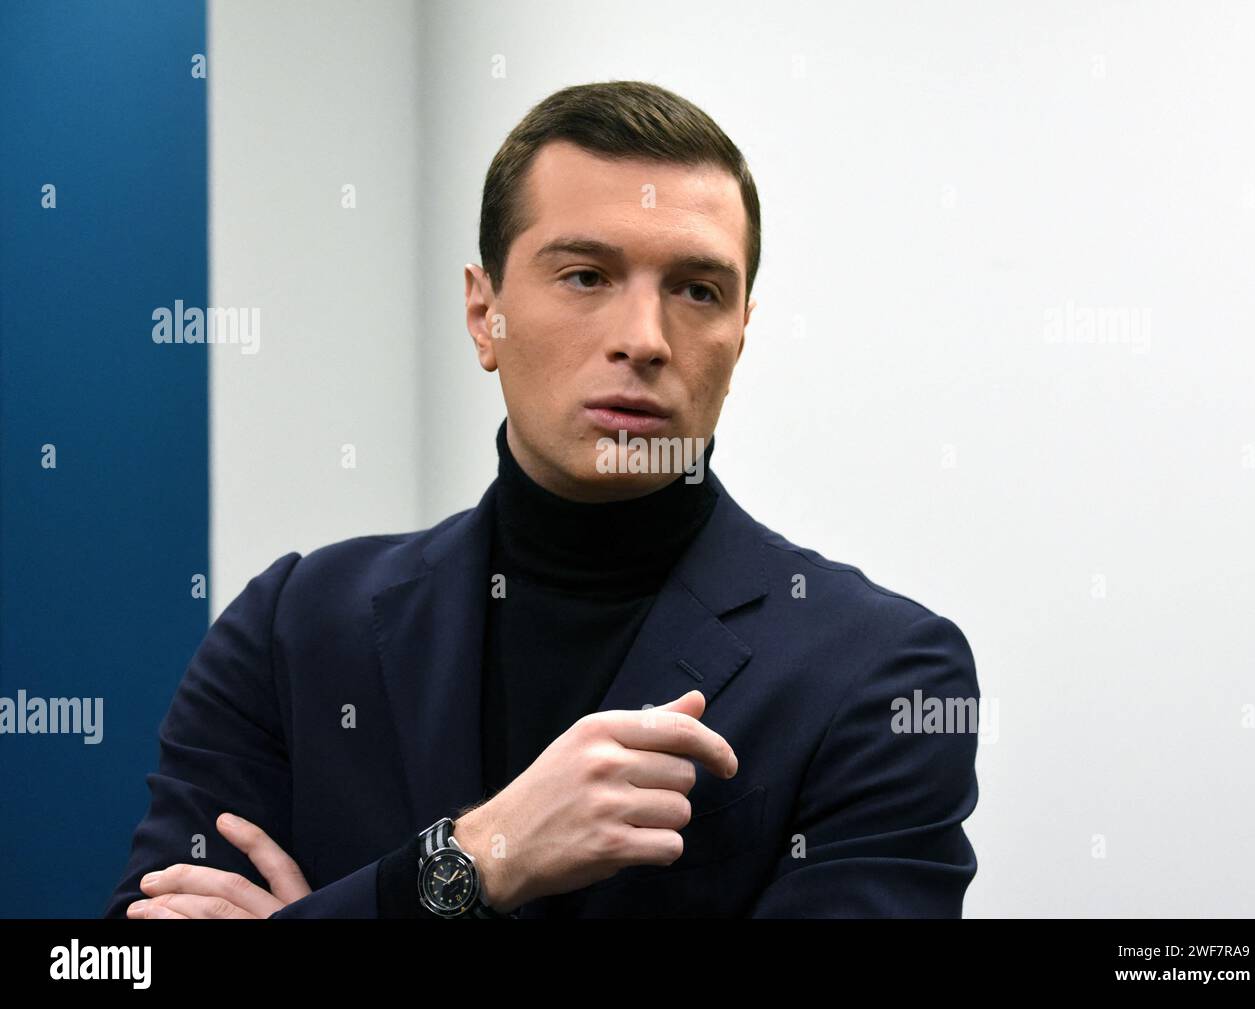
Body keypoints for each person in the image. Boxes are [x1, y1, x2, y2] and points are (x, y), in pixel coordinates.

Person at [104, 80, 979, 919]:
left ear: (741, 332)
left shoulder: (878, 672)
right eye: (586, 276)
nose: (643, 339)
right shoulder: (293, 628)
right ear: (485, 314)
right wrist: (484, 854)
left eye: (697, 290)